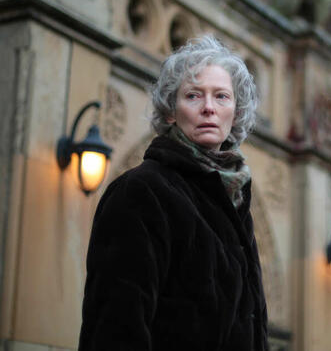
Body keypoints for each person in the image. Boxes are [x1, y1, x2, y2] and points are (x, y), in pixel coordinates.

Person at [78, 35, 268, 350]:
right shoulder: (141, 192)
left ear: (235, 112)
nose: (209, 108)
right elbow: (115, 328)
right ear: (170, 111)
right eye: (193, 96)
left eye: (221, 97)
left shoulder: (233, 200)